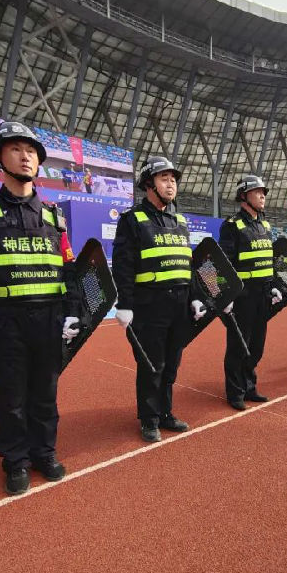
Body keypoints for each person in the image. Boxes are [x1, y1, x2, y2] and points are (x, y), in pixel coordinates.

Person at [0, 121, 87, 496]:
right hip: (5, 320)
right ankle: (15, 460)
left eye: (31, 151)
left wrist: (74, 311)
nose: (25, 157)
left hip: (50, 320)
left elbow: (69, 269)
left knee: (45, 393)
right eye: (15, 149)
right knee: (11, 398)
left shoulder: (54, 216)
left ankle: (44, 452)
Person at [112, 156, 196, 443]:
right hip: (149, 306)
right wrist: (124, 305)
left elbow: (188, 264)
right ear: (148, 184)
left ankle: (165, 412)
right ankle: (149, 418)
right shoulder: (133, 220)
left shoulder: (180, 221)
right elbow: (123, 266)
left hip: (180, 305)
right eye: (164, 179)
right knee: (152, 365)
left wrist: (196, 298)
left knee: (171, 364)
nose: (170, 184)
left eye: (173, 179)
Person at [218, 175, 282, 410]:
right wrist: (227, 296)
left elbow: (269, 260)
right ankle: (235, 392)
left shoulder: (265, 225)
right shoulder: (232, 225)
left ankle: (249, 386)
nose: (263, 196)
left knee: (256, 346)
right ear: (244, 196)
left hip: (263, 295)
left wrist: (273, 285)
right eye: (257, 192)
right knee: (238, 346)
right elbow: (224, 262)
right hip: (242, 297)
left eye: (263, 192)